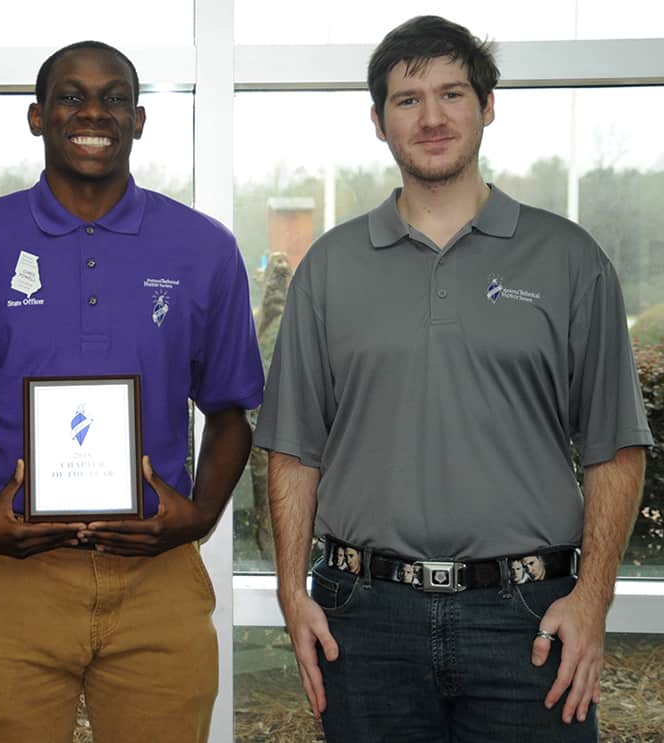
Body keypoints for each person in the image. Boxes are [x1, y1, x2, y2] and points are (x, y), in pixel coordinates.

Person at [254, 15, 651, 743]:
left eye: (452, 94)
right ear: (377, 122)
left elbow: (615, 447)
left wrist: (592, 599)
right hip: (365, 619)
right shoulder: (330, 270)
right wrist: (291, 591)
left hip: (531, 622)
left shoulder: (568, 259)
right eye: (407, 100)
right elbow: (292, 450)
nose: (431, 117)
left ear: (487, 105)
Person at [0, 40, 264, 743]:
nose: (93, 111)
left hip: (157, 577)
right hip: (14, 579)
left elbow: (230, 411)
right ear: (37, 117)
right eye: (71, 95)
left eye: (115, 97)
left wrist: (197, 517)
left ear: (139, 119)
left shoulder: (203, 248)